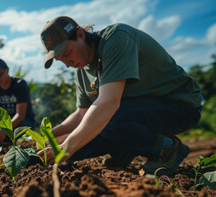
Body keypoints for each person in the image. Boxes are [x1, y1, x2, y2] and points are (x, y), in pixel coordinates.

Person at [38, 16, 203, 176]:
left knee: (106, 120)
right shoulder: (82, 72)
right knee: (79, 149)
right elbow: (82, 114)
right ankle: (125, 148)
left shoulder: (116, 38)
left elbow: (107, 104)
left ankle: (167, 149)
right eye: (61, 60)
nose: (67, 63)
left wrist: (67, 146)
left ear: (80, 35)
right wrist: (50, 135)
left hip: (180, 107)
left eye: (67, 53)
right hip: (134, 112)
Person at [0, 58, 35, 145]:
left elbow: (20, 115)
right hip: (5, 124)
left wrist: (5, 130)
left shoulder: (20, 85)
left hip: (23, 121)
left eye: (0, 74)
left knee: (15, 136)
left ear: (7, 70)